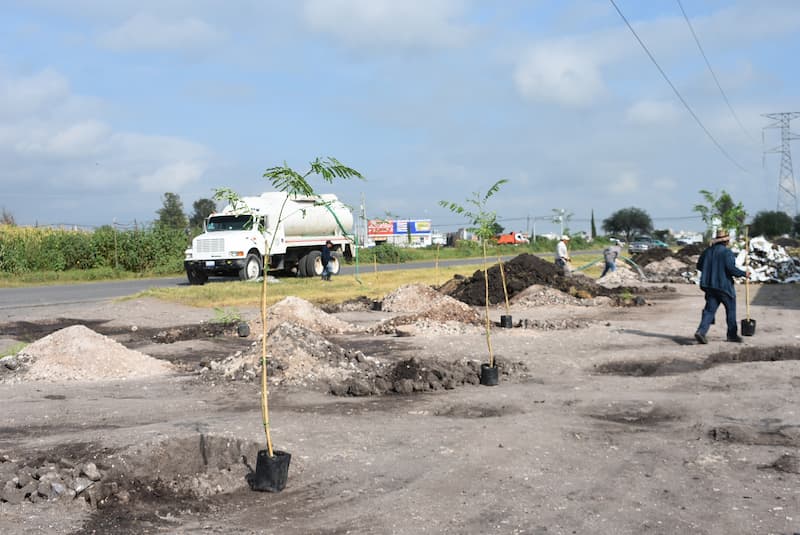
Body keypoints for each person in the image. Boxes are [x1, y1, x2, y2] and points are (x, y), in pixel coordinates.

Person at [694, 229, 747, 344]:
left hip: (709, 286)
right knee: (731, 310)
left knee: (709, 311)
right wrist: (744, 273)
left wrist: (710, 270)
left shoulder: (707, 251)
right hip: (724, 287)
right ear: (726, 241)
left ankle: (701, 332)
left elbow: (699, 266)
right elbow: (731, 269)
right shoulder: (727, 253)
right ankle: (732, 335)